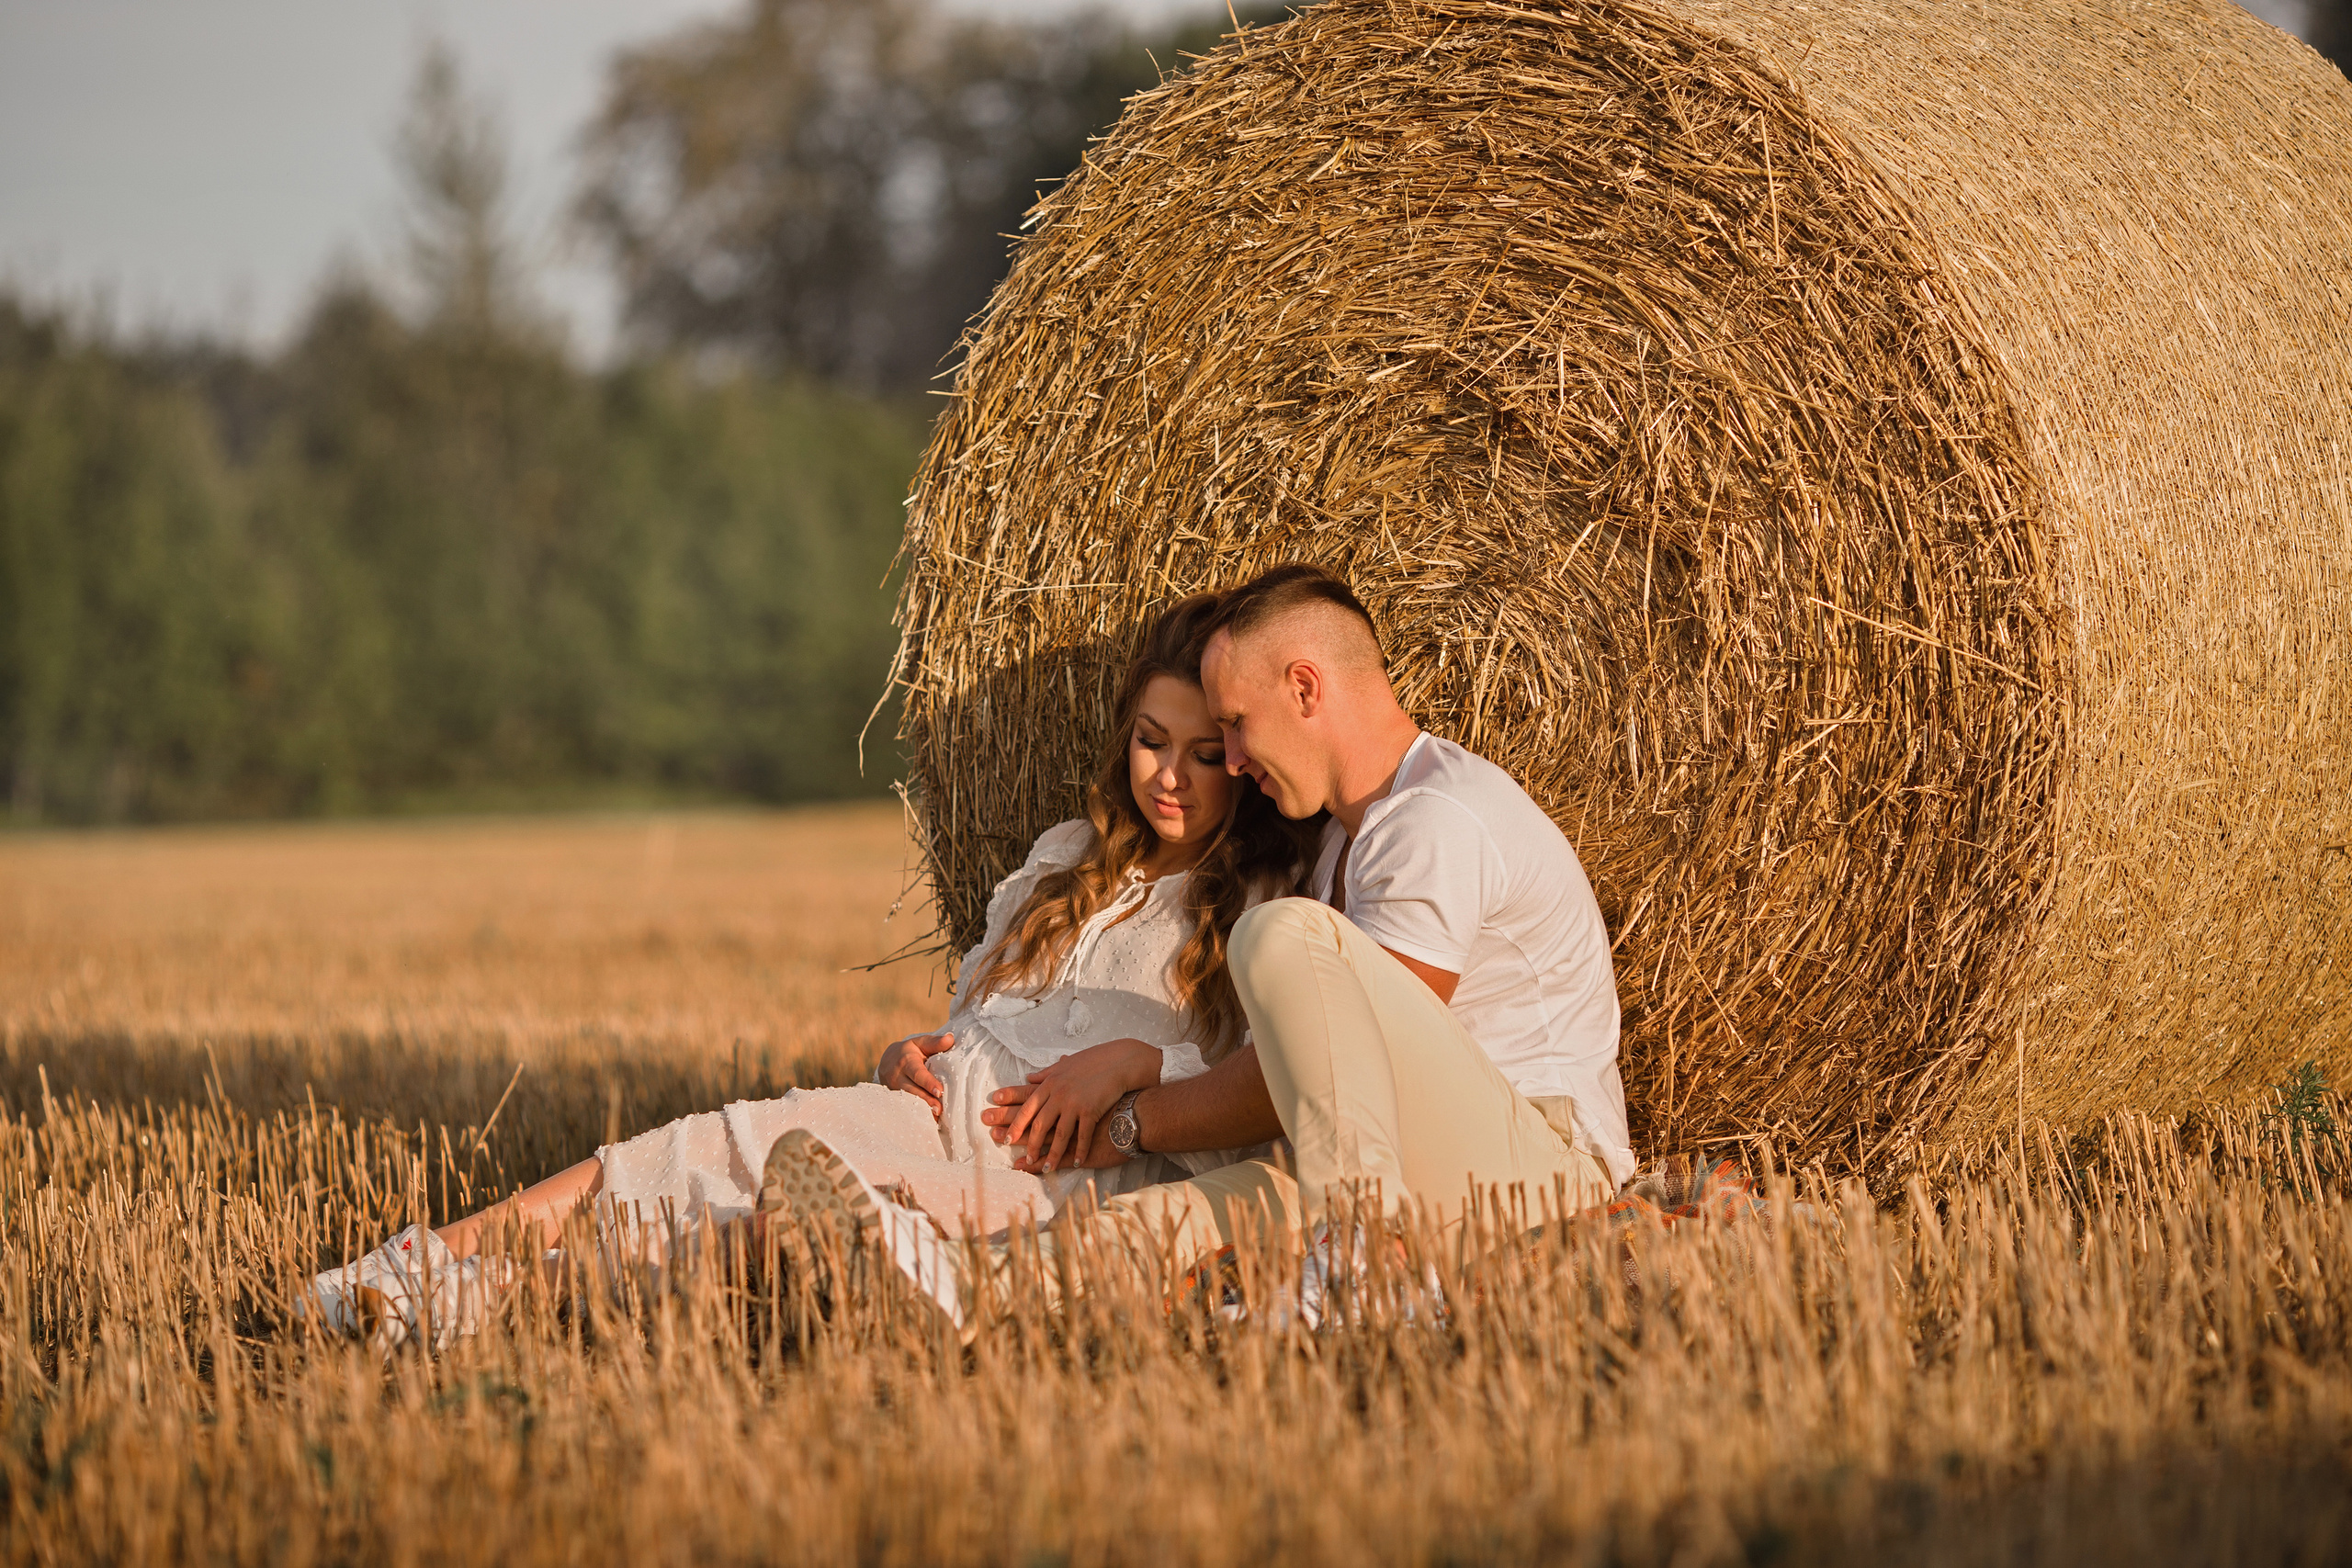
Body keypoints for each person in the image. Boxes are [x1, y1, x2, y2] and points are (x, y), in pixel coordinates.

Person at [300, 593, 1311, 1348]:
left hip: (1055, 1168)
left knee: (762, 1221)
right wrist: (902, 1052)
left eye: (1202, 754)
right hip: (933, 1106)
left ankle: (479, 1302)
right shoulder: (1062, 859)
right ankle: (410, 1261)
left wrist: (1136, 1064)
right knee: (708, 1143)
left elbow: (1266, 1087)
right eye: (1147, 742)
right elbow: (974, 1016)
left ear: (1243, 755)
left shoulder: (1262, 904)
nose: (1168, 776)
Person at [760, 561, 1630, 1318]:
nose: (1237, 761)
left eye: (1237, 727)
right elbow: (1325, 1086)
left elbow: (1354, 1058)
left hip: (1541, 1172)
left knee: (1279, 936)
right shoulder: (1343, 844)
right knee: (1187, 1219)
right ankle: (960, 1285)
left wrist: (1134, 1119)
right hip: (1423, 1169)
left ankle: (1365, 1251)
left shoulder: (1432, 819)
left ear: (1305, 686)